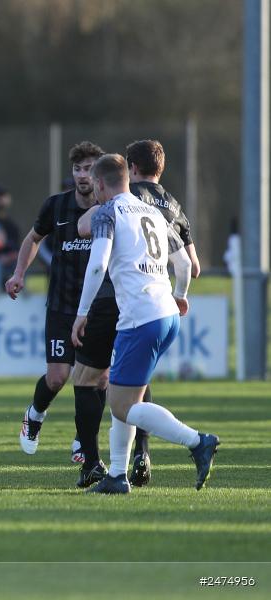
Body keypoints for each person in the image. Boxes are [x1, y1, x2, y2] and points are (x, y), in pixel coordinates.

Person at [71, 154, 219, 494]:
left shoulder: (108, 212)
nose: (94, 193)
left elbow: (97, 267)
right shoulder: (152, 211)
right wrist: (180, 295)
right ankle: (117, 476)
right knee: (124, 398)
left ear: (101, 184)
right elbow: (182, 262)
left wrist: (82, 313)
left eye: (94, 186)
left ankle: (197, 442)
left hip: (140, 318)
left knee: (122, 404)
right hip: (165, 313)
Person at [4, 141, 105, 459]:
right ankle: (34, 416)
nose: (82, 175)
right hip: (62, 306)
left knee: (98, 378)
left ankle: (83, 439)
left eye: (88, 168)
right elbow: (33, 238)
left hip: (97, 308)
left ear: (99, 172)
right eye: (77, 168)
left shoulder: (111, 209)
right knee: (58, 377)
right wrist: (19, 272)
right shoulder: (56, 206)